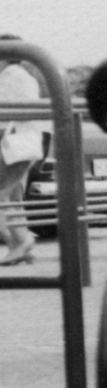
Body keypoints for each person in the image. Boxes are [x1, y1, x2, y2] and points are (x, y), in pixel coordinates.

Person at [0, 35, 48, 265]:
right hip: (25, 141)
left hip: (14, 143)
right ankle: (19, 246)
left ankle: (20, 242)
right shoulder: (25, 76)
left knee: (5, 195)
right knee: (12, 195)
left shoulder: (9, 77)